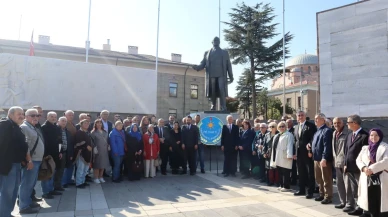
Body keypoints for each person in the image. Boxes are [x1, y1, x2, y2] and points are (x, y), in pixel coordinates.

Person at [0, 107, 29, 217]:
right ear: (10, 115)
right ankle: (4, 214)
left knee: (13, 191)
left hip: (16, 164)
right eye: (19, 114)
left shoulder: (16, 126)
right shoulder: (5, 125)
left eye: (22, 114)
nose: (21, 116)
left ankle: (7, 212)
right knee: (7, 192)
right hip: (8, 165)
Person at [356, 129, 388, 217]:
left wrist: (371, 169)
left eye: (376, 135)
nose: (373, 137)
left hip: (381, 177)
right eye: (371, 135)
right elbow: (358, 160)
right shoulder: (365, 148)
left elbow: (386, 161)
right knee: (368, 196)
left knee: (380, 197)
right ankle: (368, 213)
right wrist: (364, 168)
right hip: (367, 177)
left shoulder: (385, 147)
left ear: (380, 136)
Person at [18, 109, 45, 214]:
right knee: (26, 183)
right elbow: (26, 147)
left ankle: (28, 201)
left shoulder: (32, 127)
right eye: (32, 115)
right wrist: (29, 160)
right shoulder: (24, 127)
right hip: (32, 160)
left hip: (36, 159)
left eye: (37, 115)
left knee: (31, 183)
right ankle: (24, 206)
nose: (35, 117)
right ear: (26, 116)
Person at [344, 114, 369, 215]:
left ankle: (365, 209)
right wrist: (345, 163)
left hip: (359, 169)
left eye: (348, 122)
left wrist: (363, 167)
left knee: (362, 189)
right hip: (349, 167)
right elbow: (346, 151)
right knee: (354, 189)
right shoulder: (349, 135)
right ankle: (358, 206)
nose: (347, 124)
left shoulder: (365, 136)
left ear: (354, 123)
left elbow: (366, 154)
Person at [294, 111, 317, 199]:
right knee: (300, 172)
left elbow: (313, 138)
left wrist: (310, 150)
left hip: (307, 153)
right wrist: (295, 153)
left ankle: (310, 191)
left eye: (302, 115)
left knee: (310, 172)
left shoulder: (310, 126)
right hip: (299, 153)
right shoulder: (296, 127)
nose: (300, 117)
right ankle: (301, 190)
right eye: (299, 115)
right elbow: (296, 141)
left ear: (305, 116)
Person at [311, 113, 333, 204]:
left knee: (326, 178)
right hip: (316, 158)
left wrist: (324, 158)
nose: (315, 120)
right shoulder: (317, 131)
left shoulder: (327, 130)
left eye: (317, 119)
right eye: (315, 119)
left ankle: (328, 196)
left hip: (323, 159)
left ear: (323, 120)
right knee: (318, 178)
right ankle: (321, 194)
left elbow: (326, 146)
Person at [41, 111, 63, 198]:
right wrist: (45, 154)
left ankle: (51, 189)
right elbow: (44, 142)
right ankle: (46, 192)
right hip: (48, 155)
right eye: (51, 116)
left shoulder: (57, 127)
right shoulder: (44, 127)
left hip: (56, 154)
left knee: (53, 172)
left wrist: (60, 151)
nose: (53, 118)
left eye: (55, 117)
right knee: (47, 172)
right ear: (47, 117)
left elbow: (60, 141)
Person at [270, 121, 294, 192]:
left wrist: (289, 155)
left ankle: (287, 186)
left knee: (286, 171)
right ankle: (281, 185)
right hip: (278, 156)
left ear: (286, 127)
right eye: (280, 126)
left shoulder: (289, 135)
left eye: (283, 126)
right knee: (280, 171)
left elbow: (290, 145)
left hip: (285, 156)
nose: (281, 128)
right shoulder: (277, 135)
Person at [332, 117, 349, 209]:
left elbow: (348, 150)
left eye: (338, 123)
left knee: (348, 185)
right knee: (339, 183)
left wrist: (346, 162)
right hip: (337, 162)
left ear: (343, 123)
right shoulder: (334, 133)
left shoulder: (347, 133)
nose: (336, 125)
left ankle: (350, 204)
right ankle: (343, 202)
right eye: (334, 123)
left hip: (345, 164)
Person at [73, 119, 93, 188]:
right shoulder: (79, 132)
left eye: (88, 123)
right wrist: (86, 146)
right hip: (81, 153)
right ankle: (78, 183)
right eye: (85, 123)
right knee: (80, 169)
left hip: (88, 153)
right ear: (81, 124)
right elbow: (77, 143)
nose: (87, 124)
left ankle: (83, 181)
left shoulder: (88, 132)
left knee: (85, 169)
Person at [90, 119, 110, 184]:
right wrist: (94, 148)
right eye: (97, 123)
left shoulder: (105, 132)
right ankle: (96, 177)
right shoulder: (93, 132)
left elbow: (108, 140)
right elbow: (91, 142)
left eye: (100, 123)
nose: (99, 124)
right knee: (97, 165)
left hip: (105, 150)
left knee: (103, 164)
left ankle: (101, 177)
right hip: (97, 150)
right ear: (95, 124)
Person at [62, 110, 76, 188]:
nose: (71, 116)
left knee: (71, 164)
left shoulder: (72, 124)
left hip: (72, 147)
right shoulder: (64, 124)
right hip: (66, 147)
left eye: (72, 115)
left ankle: (69, 179)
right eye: (69, 115)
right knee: (65, 166)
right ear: (65, 115)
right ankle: (64, 182)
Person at [264, 122, 279, 186]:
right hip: (269, 153)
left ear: (276, 127)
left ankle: (277, 181)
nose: (271, 128)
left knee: (276, 167)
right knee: (269, 168)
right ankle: (270, 181)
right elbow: (264, 145)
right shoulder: (267, 135)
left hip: (276, 152)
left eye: (272, 126)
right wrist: (264, 152)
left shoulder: (278, 134)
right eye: (270, 127)